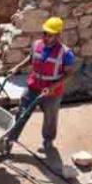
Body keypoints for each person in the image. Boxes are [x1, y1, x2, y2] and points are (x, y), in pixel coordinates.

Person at [7, 16, 76, 152]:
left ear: (58, 35)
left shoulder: (66, 54)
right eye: (45, 33)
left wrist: (52, 87)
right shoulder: (37, 44)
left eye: (50, 35)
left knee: (50, 117)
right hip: (34, 86)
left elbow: (69, 74)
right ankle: (9, 139)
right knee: (22, 112)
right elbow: (31, 58)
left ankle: (48, 141)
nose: (46, 37)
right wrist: (17, 67)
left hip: (52, 92)